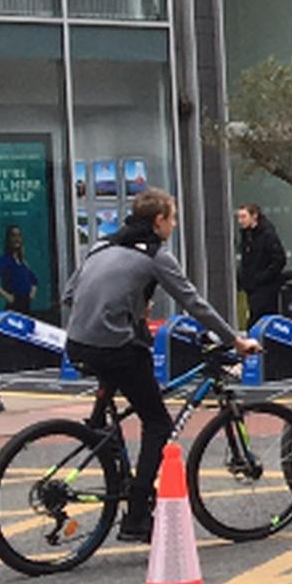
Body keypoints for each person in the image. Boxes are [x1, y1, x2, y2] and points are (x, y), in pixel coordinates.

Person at [64, 189, 259, 542]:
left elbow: (69, 295)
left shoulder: (101, 245)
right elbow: (194, 304)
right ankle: (137, 516)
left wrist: (131, 306)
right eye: (173, 218)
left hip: (77, 343)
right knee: (157, 422)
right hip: (115, 347)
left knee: (119, 407)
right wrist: (236, 340)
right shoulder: (156, 256)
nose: (174, 225)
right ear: (159, 221)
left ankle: (104, 446)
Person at [234, 203, 286, 322]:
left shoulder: (267, 235)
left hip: (265, 287)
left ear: (254, 216)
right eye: (239, 217)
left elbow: (279, 259)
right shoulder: (246, 235)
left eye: (243, 217)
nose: (240, 221)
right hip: (251, 286)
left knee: (258, 318)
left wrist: (262, 278)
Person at [0, 225, 38, 317]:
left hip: (26, 306)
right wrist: (7, 296)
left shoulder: (22, 262)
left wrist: (32, 293)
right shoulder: (5, 260)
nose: (17, 239)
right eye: (13, 235)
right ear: (8, 239)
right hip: (15, 306)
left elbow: (34, 280)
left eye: (19, 235)